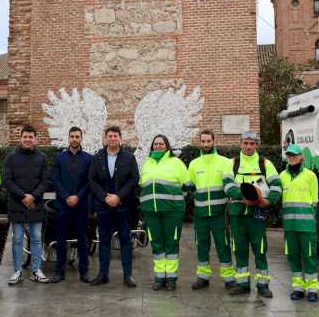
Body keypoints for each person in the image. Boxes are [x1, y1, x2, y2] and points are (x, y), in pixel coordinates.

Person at [223, 131, 281, 298]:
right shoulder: (232, 163)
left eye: (252, 143)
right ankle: (242, 284)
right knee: (239, 249)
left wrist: (269, 201)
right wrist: (243, 197)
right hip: (237, 214)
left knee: (260, 249)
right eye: (246, 143)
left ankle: (263, 285)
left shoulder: (265, 163)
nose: (248, 146)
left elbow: (276, 185)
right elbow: (227, 185)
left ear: (257, 145)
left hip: (257, 214)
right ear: (240, 144)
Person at [87, 125, 140, 287]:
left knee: (125, 239)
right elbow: (92, 180)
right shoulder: (97, 158)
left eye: (115, 136)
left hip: (123, 206)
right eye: (109, 136)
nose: (112, 138)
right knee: (103, 240)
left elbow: (134, 179)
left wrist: (118, 196)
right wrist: (105, 197)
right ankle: (103, 274)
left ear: (120, 138)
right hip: (103, 207)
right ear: (106, 138)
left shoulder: (129, 158)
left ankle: (128, 275)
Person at [2, 124, 51, 284]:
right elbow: (7, 180)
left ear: (35, 139)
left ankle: (36, 270)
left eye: (31, 137)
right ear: (20, 138)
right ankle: (17, 271)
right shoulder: (11, 157)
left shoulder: (42, 157)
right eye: (25, 137)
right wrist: (23, 196)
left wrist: (33, 197)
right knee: (17, 239)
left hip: (35, 204)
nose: (28, 139)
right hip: (17, 204)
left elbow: (45, 181)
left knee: (37, 239)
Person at [187, 130, 236, 290]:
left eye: (209, 141)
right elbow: (189, 187)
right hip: (200, 214)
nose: (206, 144)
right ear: (200, 142)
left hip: (219, 214)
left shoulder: (225, 162)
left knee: (223, 244)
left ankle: (229, 278)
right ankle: (203, 277)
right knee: (201, 245)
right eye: (203, 141)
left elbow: (230, 185)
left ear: (213, 141)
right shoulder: (194, 164)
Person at [140, 134, 189, 291]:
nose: (158, 146)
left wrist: (177, 204)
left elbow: (187, 186)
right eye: (156, 144)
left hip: (172, 212)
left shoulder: (176, 163)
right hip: (151, 211)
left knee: (171, 244)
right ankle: (159, 277)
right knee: (157, 244)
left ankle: (171, 278)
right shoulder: (147, 163)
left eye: (161, 144)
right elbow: (142, 186)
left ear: (167, 146)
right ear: (152, 146)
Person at [50, 127, 93, 283]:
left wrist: (78, 196)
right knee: (61, 240)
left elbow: (90, 182)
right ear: (68, 138)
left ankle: (84, 272)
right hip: (63, 205)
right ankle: (59, 272)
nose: (74, 139)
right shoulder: (59, 158)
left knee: (83, 239)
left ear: (81, 138)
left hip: (81, 206)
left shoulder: (89, 159)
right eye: (72, 136)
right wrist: (67, 196)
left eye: (77, 136)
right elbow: (55, 180)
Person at [281, 144, 319, 302]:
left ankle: (312, 289)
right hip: (289, 227)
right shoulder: (281, 176)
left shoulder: (310, 176)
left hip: (307, 227)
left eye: (295, 155)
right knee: (293, 257)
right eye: (289, 155)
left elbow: (315, 202)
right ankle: (298, 288)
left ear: (301, 157)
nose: (292, 158)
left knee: (309, 256)